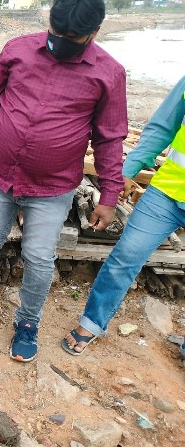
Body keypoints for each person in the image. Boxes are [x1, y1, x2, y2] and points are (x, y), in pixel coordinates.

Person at [0, 0, 128, 363]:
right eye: (56, 34)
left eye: (72, 39)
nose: (61, 43)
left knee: (40, 257)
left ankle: (27, 323)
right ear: (49, 21)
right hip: (0, 174)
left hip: (52, 186)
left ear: (95, 32)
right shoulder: (18, 49)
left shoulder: (109, 74)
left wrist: (109, 197)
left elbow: (110, 138)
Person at [62, 75, 185, 358]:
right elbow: (162, 127)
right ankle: (91, 323)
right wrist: (128, 171)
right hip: (167, 193)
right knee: (126, 255)